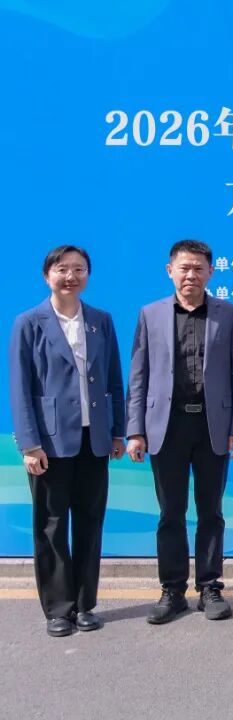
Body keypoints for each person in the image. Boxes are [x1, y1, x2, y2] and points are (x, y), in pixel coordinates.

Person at [125, 239, 233, 624]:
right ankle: (172, 590)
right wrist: (135, 430)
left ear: (210, 272)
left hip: (213, 426)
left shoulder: (229, 315)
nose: (191, 275)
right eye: (184, 268)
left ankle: (210, 587)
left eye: (198, 268)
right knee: (171, 512)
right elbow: (139, 375)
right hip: (166, 427)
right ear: (170, 271)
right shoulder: (150, 314)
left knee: (211, 511)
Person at [9, 246, 125, 637]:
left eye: (79, 269)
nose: (71, 276)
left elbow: (113, 379)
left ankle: (85, 603)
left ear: (88, 275)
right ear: (48, 276)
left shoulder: (100, 321)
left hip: (95, 439)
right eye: (62, 269)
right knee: (52, 526)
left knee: (90, 522)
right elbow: (20, 389)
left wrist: (117, 431)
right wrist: (30, 444)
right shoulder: (29, 323)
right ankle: (59, 609)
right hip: (50, 443)